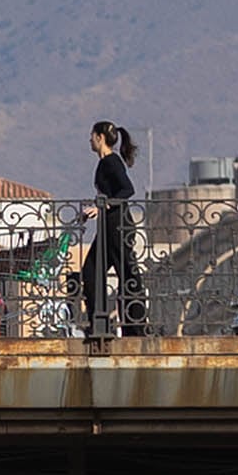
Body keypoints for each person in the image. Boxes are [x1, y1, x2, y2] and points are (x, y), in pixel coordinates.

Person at [77, 120, 146, 341]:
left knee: (127, 274)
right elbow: (111, 193)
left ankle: (135, 328)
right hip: (109, 227)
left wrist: (104, 205)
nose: (89, 140)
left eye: (92, 135)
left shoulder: (111, 162)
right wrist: (96, 207)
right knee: (93, 271)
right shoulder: (105, 162)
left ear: (100, 138)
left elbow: (127, 189)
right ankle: (101, 323)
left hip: (118, 227)